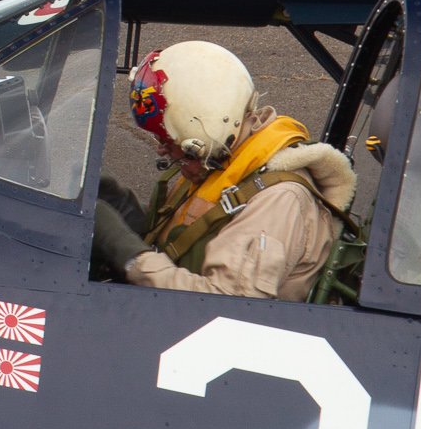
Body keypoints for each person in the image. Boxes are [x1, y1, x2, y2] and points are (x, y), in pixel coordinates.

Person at [91, 40, 355, 301]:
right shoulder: (220, 159)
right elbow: (185, 242)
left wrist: (128, 255)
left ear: (202, 131)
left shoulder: (278, 200)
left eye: (167, 141)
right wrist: (124, 211)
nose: (162, 150)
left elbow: (225, 304)